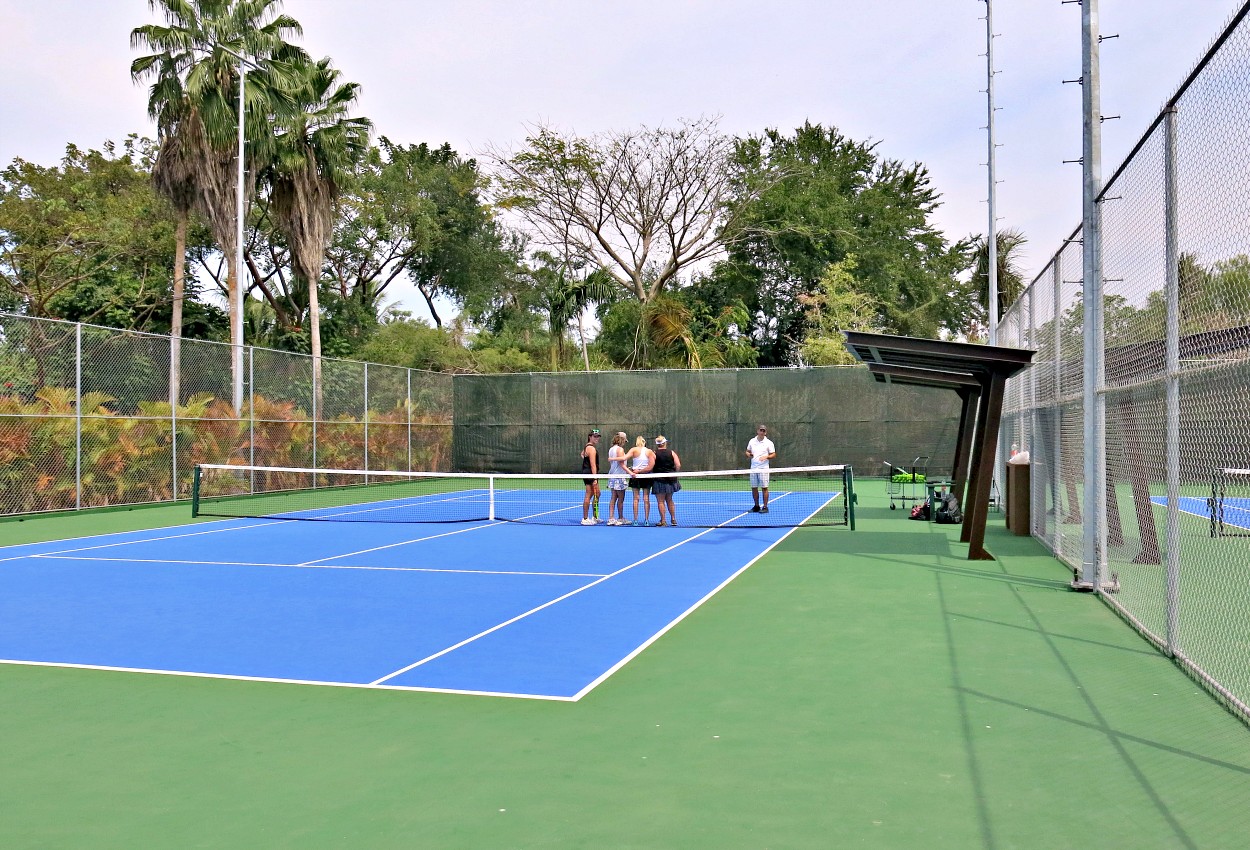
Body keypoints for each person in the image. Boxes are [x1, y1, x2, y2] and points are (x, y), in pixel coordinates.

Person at [650, 435, 682, 526]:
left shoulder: (654, 453)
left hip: (659, 480)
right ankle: (673, 519)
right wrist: (673, 472)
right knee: (670, 499)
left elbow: (651, 466)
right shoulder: (672, 453)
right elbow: (678, 465)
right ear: (664, 443)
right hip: (671, 479)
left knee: (660, 501)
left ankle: (663, 520)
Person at [625, 435, 656, 526]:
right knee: (646, 498)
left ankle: (635, 520)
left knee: (636, 498)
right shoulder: (649, 451)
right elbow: (655, 459)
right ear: (644, 442)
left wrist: (632, 469)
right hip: (644, 476)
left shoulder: (633, 450)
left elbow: (625, 458)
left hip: (636, 476)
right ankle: (646, 520)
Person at [745, 425, 776, 513]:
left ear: (765, 432)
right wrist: (748, 454)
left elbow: (773, 454)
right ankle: (756, 506)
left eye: (764, 431)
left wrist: (766, 457)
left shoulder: (769, 443)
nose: (762, 432)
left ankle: (765, 507)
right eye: (760, 430)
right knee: (754, 487)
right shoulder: (752, 441)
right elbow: (747, 451)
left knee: (764, 487)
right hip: (753, 468)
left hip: (764, 468)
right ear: (757, 431)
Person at [606, 431, 630, 525]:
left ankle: (611, 518)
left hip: (613, 475)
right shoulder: (620, 449)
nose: (624, 443)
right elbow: (621, 463)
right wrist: (630, 472)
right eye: (624, 440)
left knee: (613, 498)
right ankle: (620, 518)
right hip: (619, 476)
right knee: (620, 498)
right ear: (622, 440)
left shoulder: (611, 449)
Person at [580, 429, 602, 525]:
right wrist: (595, 479)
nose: (597, 438)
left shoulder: (587, 447)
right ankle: (585, 519)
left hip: (588, 473)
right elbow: (593, 465)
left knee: (597, 493)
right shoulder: (591, 449)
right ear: (590, 437)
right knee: (589, 494)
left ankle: (595, 517)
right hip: (590, 474)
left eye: (598, 436)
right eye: (595, 436)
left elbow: (582, 454)